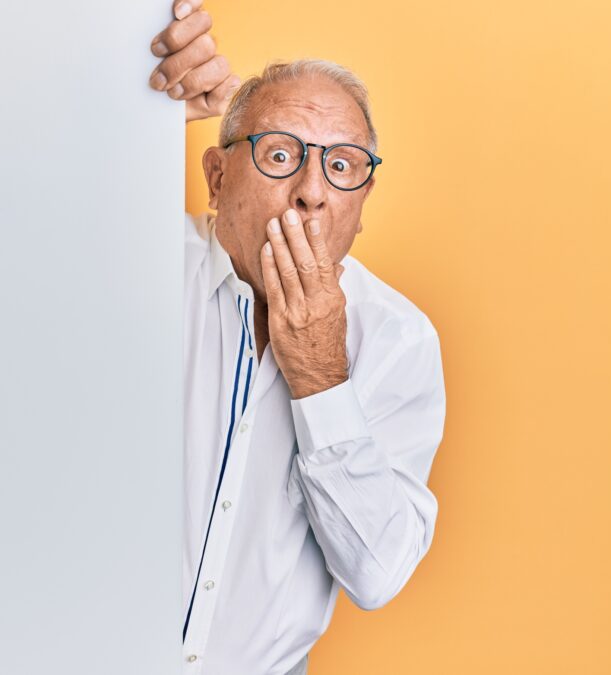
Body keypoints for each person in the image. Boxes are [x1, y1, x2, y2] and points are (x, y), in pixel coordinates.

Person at [150, 4, 446, 674]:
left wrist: (321, 378)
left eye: (343, 167)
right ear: (218, 177)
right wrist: (129, 105)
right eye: (281, 154)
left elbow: (378, 571)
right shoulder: (140, 269)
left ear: (361, 207)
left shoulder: (398, 340)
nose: (311, 192)